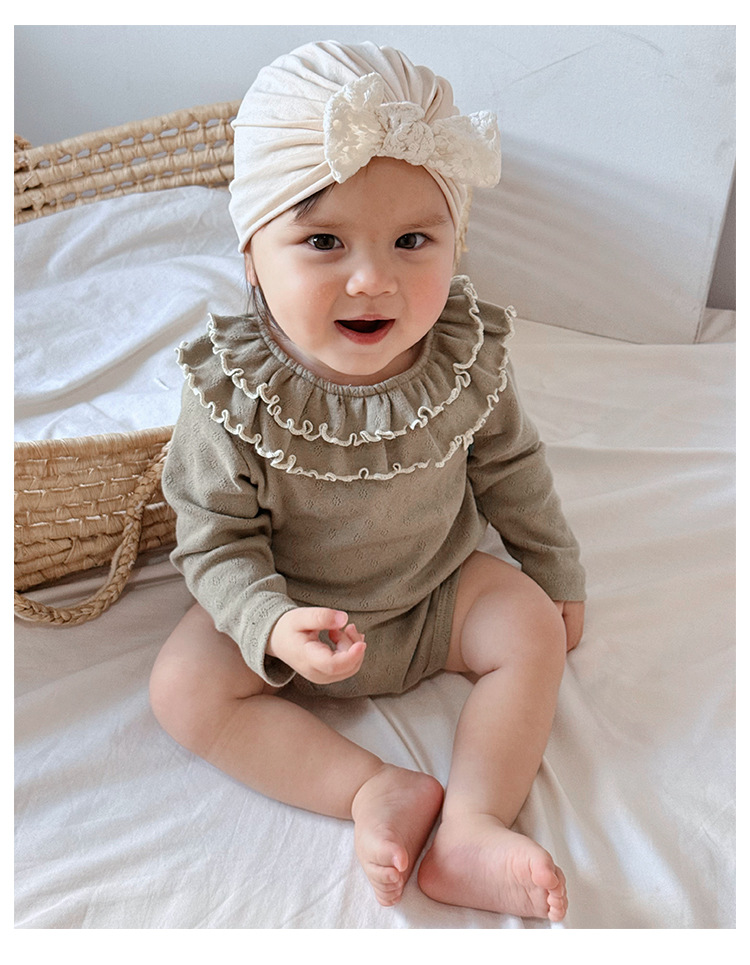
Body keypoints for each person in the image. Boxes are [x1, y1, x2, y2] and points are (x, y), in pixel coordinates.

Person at [149, 39, 586, 922]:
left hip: (436, 591)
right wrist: (270, 623)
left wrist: (555, 572)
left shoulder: (462, 357)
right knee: (183, 687)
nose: (372, 279)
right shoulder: (232, 392)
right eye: (323, 241)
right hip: (296, 610)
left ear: (455, 242)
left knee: (532, 629)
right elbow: (214, 537)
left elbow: (511, 467)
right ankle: (369, 787)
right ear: (251, 255)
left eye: (412, 240)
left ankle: (471, 825)